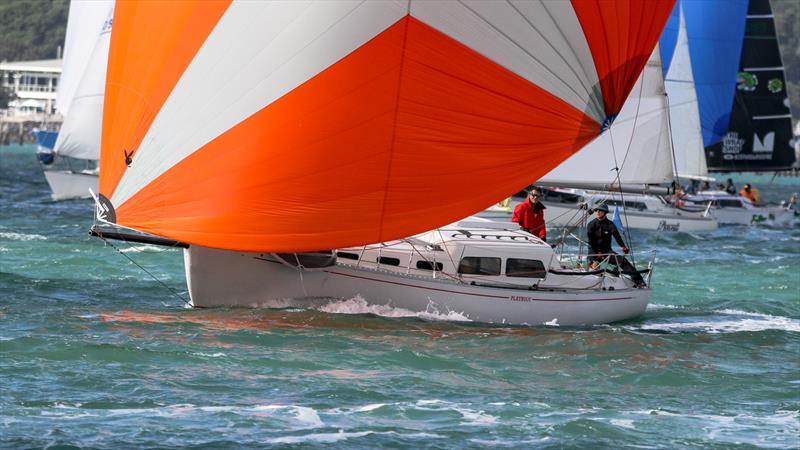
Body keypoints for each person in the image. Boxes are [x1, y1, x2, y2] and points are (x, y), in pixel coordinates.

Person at [586, 204, 646, 288]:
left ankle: (639, 281)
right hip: (593, 251)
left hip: (607, 251)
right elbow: (591, 241)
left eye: (600, 210)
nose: (598, 212)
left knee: (622, 261)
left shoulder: (610, 225)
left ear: (605, 212)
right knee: (593, 266)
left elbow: (617, 237)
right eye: (597, 210)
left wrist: (623, 247)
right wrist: (597, 252)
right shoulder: (591, 224)